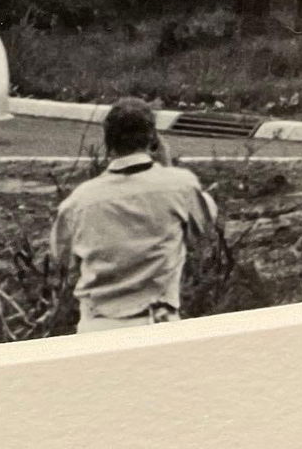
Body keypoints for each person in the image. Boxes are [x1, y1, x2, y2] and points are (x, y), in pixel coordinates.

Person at [50, 97, 218, 334]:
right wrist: (167, 167)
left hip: (97, 325)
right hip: (156, 322)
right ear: (153, 138)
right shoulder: (180, 186)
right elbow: (204, 227)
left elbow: (62, 259)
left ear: (108, 142)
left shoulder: (79, 201)